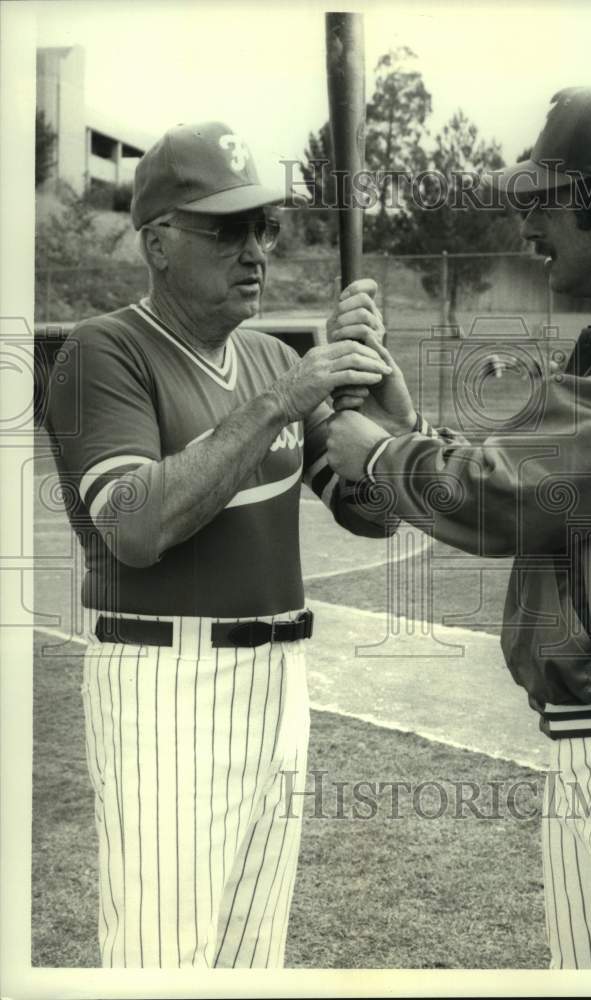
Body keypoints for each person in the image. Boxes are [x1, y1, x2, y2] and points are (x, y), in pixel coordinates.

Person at [325, 86, 591, 970]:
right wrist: (411, 431)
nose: (527, 223)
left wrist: (379, 455)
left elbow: (518, 495)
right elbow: (538, 470)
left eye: (545, 199)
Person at [45, 120, 393, 969]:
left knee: (250, 961)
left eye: (262, 227)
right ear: (158, 243)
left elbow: (373, 512)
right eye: (227, 229)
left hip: (279, 683)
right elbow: (134, 527)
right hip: (165, 685)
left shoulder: (270, 355)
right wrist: (279, 403)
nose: (255, 251)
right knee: (162, 960)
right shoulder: (103, 353)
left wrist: (383, 390)